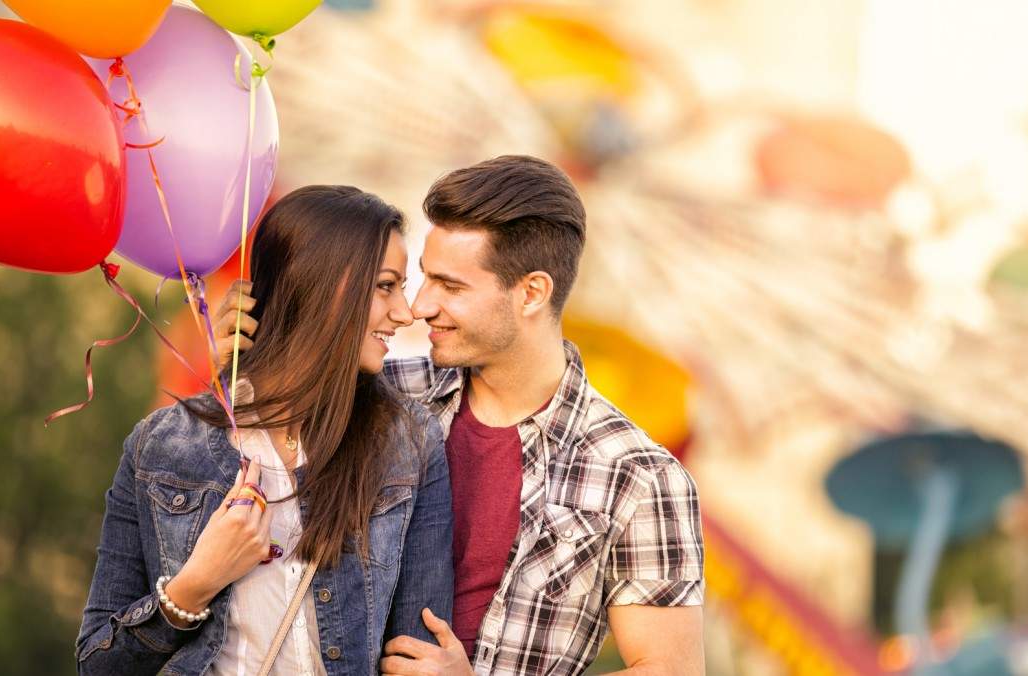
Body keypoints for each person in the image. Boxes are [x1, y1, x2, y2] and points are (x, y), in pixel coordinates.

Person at [216, 156, 705, 675]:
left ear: (532, 293)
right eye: (423, 279)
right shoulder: (381, 393)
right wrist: (243, 364)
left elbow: (670, 669)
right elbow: (235, 472)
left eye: (450, 286)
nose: (421, 305)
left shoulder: (637, 475)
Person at [77, 186, 453, 675]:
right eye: (386, 287)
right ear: (318, 286)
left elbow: (417, 654)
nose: (404, 314)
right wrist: (195, 585)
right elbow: (96, 665)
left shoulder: (407, 441)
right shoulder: (162, 446)